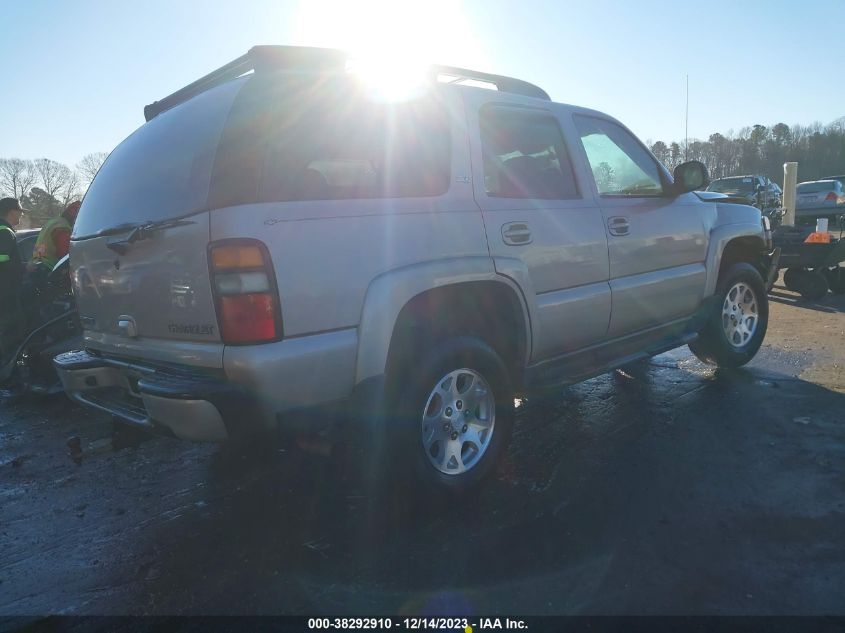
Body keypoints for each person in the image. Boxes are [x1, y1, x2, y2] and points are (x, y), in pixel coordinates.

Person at [0, 197, 27, 366]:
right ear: (12, 211)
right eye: (21, 211)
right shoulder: (4, 232)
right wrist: (25, 267)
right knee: (11, 329)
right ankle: (8, 367)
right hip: (6, 291)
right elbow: (3, 261)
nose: (22, 215)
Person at [30, 200, 81, 272]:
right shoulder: (62, 227)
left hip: (36, 264)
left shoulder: (53, 222)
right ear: (74, 214)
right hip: (49, 269)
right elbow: (65, 255)